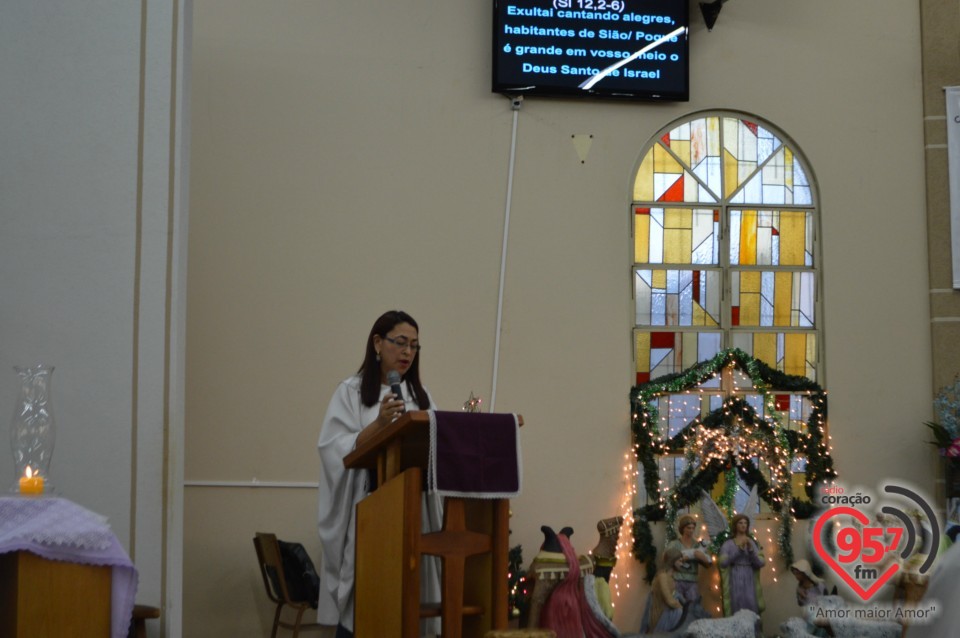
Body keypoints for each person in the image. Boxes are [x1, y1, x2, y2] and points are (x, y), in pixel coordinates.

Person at [316, 310, 441, 638]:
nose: (407, 353)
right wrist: (379, 426)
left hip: (415, 515)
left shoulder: (421, 398)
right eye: (400, 343)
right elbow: (333, 451)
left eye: (414, 346)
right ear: (377, 343)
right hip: (372, 514)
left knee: (410, 604)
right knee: (370, 607)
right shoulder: (351, 392)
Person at [718, 513, 766, 617]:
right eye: (740, 523)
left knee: (751, 602)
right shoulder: (728, 544)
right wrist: (738, 550)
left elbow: (760, 562)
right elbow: (723, 562)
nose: (743, 525)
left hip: (749, 576)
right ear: (735, 525)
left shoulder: (752, 542)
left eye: (745, 523)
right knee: (737, 602)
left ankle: (754, 631)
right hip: (735, 575)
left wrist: (751, 551)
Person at [664, 514, 713, 612]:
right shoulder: (675, 544)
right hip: (678, 579)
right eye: (688, 528)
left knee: (692, 607)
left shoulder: (697, 545)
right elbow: (666, 558)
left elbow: (708, 564)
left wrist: (702, 558)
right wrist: (675, 561)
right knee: (677, 607)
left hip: (692, 581)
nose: (690, 530)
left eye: (692, 528)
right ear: (682, 528)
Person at [641, 546, 688, 633]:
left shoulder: (670, 577)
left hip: (666, 611)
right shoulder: (663, 576)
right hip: (660, 614)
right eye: (680, 561)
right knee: (678, 612)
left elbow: (674, 595)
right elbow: (669, 600)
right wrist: (684, 609)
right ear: (672, 561)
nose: (682, 564)